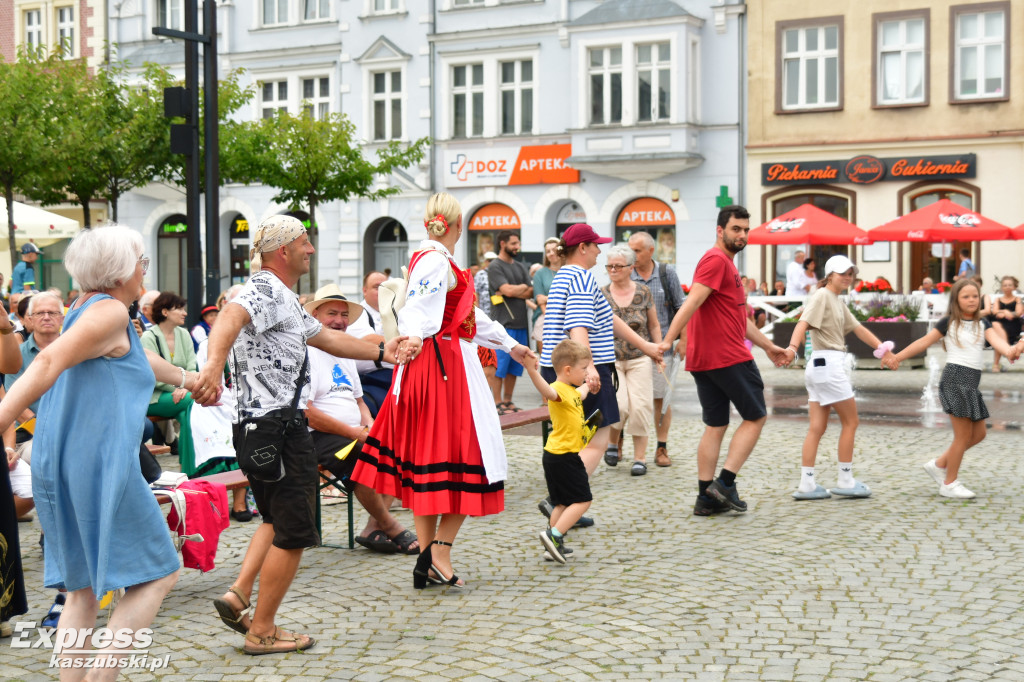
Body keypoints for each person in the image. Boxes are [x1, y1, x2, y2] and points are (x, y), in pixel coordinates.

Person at [0, 224, 211, 672]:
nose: (144, 274)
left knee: (81, 590)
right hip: (95, 462)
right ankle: (103, 674)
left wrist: (187, 377)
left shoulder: (89, 310)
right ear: (121, 270)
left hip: (59, 459)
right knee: (159, 571)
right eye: (142, 262)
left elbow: (134, 355)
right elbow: (50, 362)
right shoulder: (110, 313)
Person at [192, 214, 401, 655]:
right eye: (305, 243)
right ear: (283, 250)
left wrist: (385, 350)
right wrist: (212, 364)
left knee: (274, 519)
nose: (310, 250)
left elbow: (327, 339)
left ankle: (238, 594)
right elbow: (230, 316)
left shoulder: (284, 298)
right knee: (294, 532)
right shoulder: (264, 289)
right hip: (280, 428)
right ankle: (262, 630)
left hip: (263, 427)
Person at [351, 193, 534, 591]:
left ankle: (428, 557)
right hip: (443, 367)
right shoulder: (435, 260)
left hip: (439, 363)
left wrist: (509, 344)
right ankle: (439, 554)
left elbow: (467, 317)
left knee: (431, 467)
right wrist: (414, 337)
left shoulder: (436, 260)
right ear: (459, 225)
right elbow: (419, 309)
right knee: (469, 462)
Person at [660, 206, 790, 516]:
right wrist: (668, 340)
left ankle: (706, 497)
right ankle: (725, 483)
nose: (742, 235)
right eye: (736, 229)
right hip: (727, 356)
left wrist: (770, 346)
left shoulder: (724, 264)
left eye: (745, 229)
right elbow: (691, 301)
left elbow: (739, 319)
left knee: (715, 425)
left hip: (706, 360)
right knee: (756, 416)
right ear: (720, 231)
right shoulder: (717, 260)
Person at [537, 223, 665, 526]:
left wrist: (646, 346)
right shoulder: (581, 277)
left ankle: (564, 504)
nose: (599, 251)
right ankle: (563, 501)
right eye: (596, 245)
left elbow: (608, 318)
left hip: (561, 368)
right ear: (582, 248)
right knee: (597, 438)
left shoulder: (565, 276)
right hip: (580, 370)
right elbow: (579, 325)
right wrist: (590, 368)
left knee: (573, 440)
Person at [302, 284, 418, 555]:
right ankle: (390, 526)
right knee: (365, 453)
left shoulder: (345, 352)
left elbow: (359, 401)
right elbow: (308, 414)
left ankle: (371, 529)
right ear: (316, 316)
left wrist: (370, 426)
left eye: (344, 316)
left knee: (399, 447)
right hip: (316, 436)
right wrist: (357, 433)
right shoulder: (307, 353)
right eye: (332, 314)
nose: (340, 321)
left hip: (352, 432)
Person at [886, 279, 1022, 499]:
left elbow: (1003, 347)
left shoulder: (983, 323)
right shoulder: (948, 322)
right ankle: (949, 483)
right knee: (962, 436)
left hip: (971, 383)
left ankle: (939, 464)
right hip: (954, 379)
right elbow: (923, 342)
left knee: (978, 434)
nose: (971, 300)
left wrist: (1015, 349)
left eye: (975, 296)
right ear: (956, 300)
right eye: (966, 296)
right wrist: (897, 357)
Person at [783, 255, 896, 500]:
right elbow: (802, 322)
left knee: (817, 427)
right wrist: (792, 349)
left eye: (850, 273)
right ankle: (845, 479)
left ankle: (807, 483)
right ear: (830, 274)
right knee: (851, 422)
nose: (848, 277)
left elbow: (859, 329)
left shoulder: (836, 300)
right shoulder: (823, 295)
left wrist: (883, 350)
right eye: (843, 273)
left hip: (818, 367)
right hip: (829, 365)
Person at [525, 340, 591, 564]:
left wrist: (589, 384)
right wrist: (532, 371)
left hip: (555, 456)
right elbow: (547, 390)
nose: (586, 372)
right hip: (564, 457)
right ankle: (554, 535)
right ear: (568, 370)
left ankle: (552, 547)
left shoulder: (571, 391)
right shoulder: (559, 391)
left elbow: (581, 394)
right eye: (584, 369)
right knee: (583, 501)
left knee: (561, 503)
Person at [601, 244, 660, 476]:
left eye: (618, 266)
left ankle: (640, 458)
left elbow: (653, 324)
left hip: (639, 358)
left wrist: (658, 350)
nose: (613, 270)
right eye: (609, 266)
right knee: (620, 405)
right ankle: (613, 443)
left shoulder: (643, 292)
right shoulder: (601, 293)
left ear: (630, 267)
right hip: (611, 359)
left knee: (641, 406)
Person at [628, 230, 684, 468]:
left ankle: (661, 448)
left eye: (637, 250)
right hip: (633, 350)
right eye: (630, 249)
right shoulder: (626, 272)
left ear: (651, 251)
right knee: (633, 402)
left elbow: (683, 307)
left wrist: (685, 340)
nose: (633, 255)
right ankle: (626, 446)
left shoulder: (666, 272)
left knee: (662, 400)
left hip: (663, 349)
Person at [141, 292, 199, 475]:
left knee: (186, 415)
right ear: (165, 312)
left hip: (181, 395)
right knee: (193, 401)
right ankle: (189, 469)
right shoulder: (149, 337)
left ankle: (186, 470)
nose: (185, 313)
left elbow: (192, 366)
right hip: (154, 397)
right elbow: (153, 376)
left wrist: (182, 387)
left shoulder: (184, 334)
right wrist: (179, 387)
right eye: (179, 309)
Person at [487, 231, 533, 414]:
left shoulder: (520, 267)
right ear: (503, 243)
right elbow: (507, 290)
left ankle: (508, 401)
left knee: (515, 366)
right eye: (513, 243)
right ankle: (497, 403)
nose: (517, 247)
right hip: (503, 324)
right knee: (501, 365)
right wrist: (518, 289)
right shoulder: (495, 266)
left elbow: (530, 291)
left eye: (518, 243)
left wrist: (516, 290)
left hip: (521, 322)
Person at [344, 271, 394, 417]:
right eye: (377, 287)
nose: (382, 290)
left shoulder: (397, 311)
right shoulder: (359, 313)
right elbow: (369, 339)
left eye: (386, 286)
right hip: (374, 379)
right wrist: (404, 344)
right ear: (364, 291)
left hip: (396, 377)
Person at [982, 276, 1022, 372]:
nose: (1007, 287)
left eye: (1010, 285)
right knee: (996, 325)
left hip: (1013, 325)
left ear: (1014, 287)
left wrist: (1004, 313)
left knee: (996, 328)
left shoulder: (1017, 299)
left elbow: (1018, 313)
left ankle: (996, 364)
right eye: (1005, 285)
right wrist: (1006, 312)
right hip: (999, 324)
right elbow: (995, 312)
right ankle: (1007, 351)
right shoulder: (998, 299)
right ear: (1002, 287)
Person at [532, 238, 563, 357]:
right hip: (545, 318)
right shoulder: (540, 273)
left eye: (554, 250)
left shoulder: (569, 270)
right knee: (547, 359)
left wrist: (547, 297)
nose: (551, 253)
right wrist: (551, 319)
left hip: (568, 317)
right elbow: (540, 300)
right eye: (548, 251)